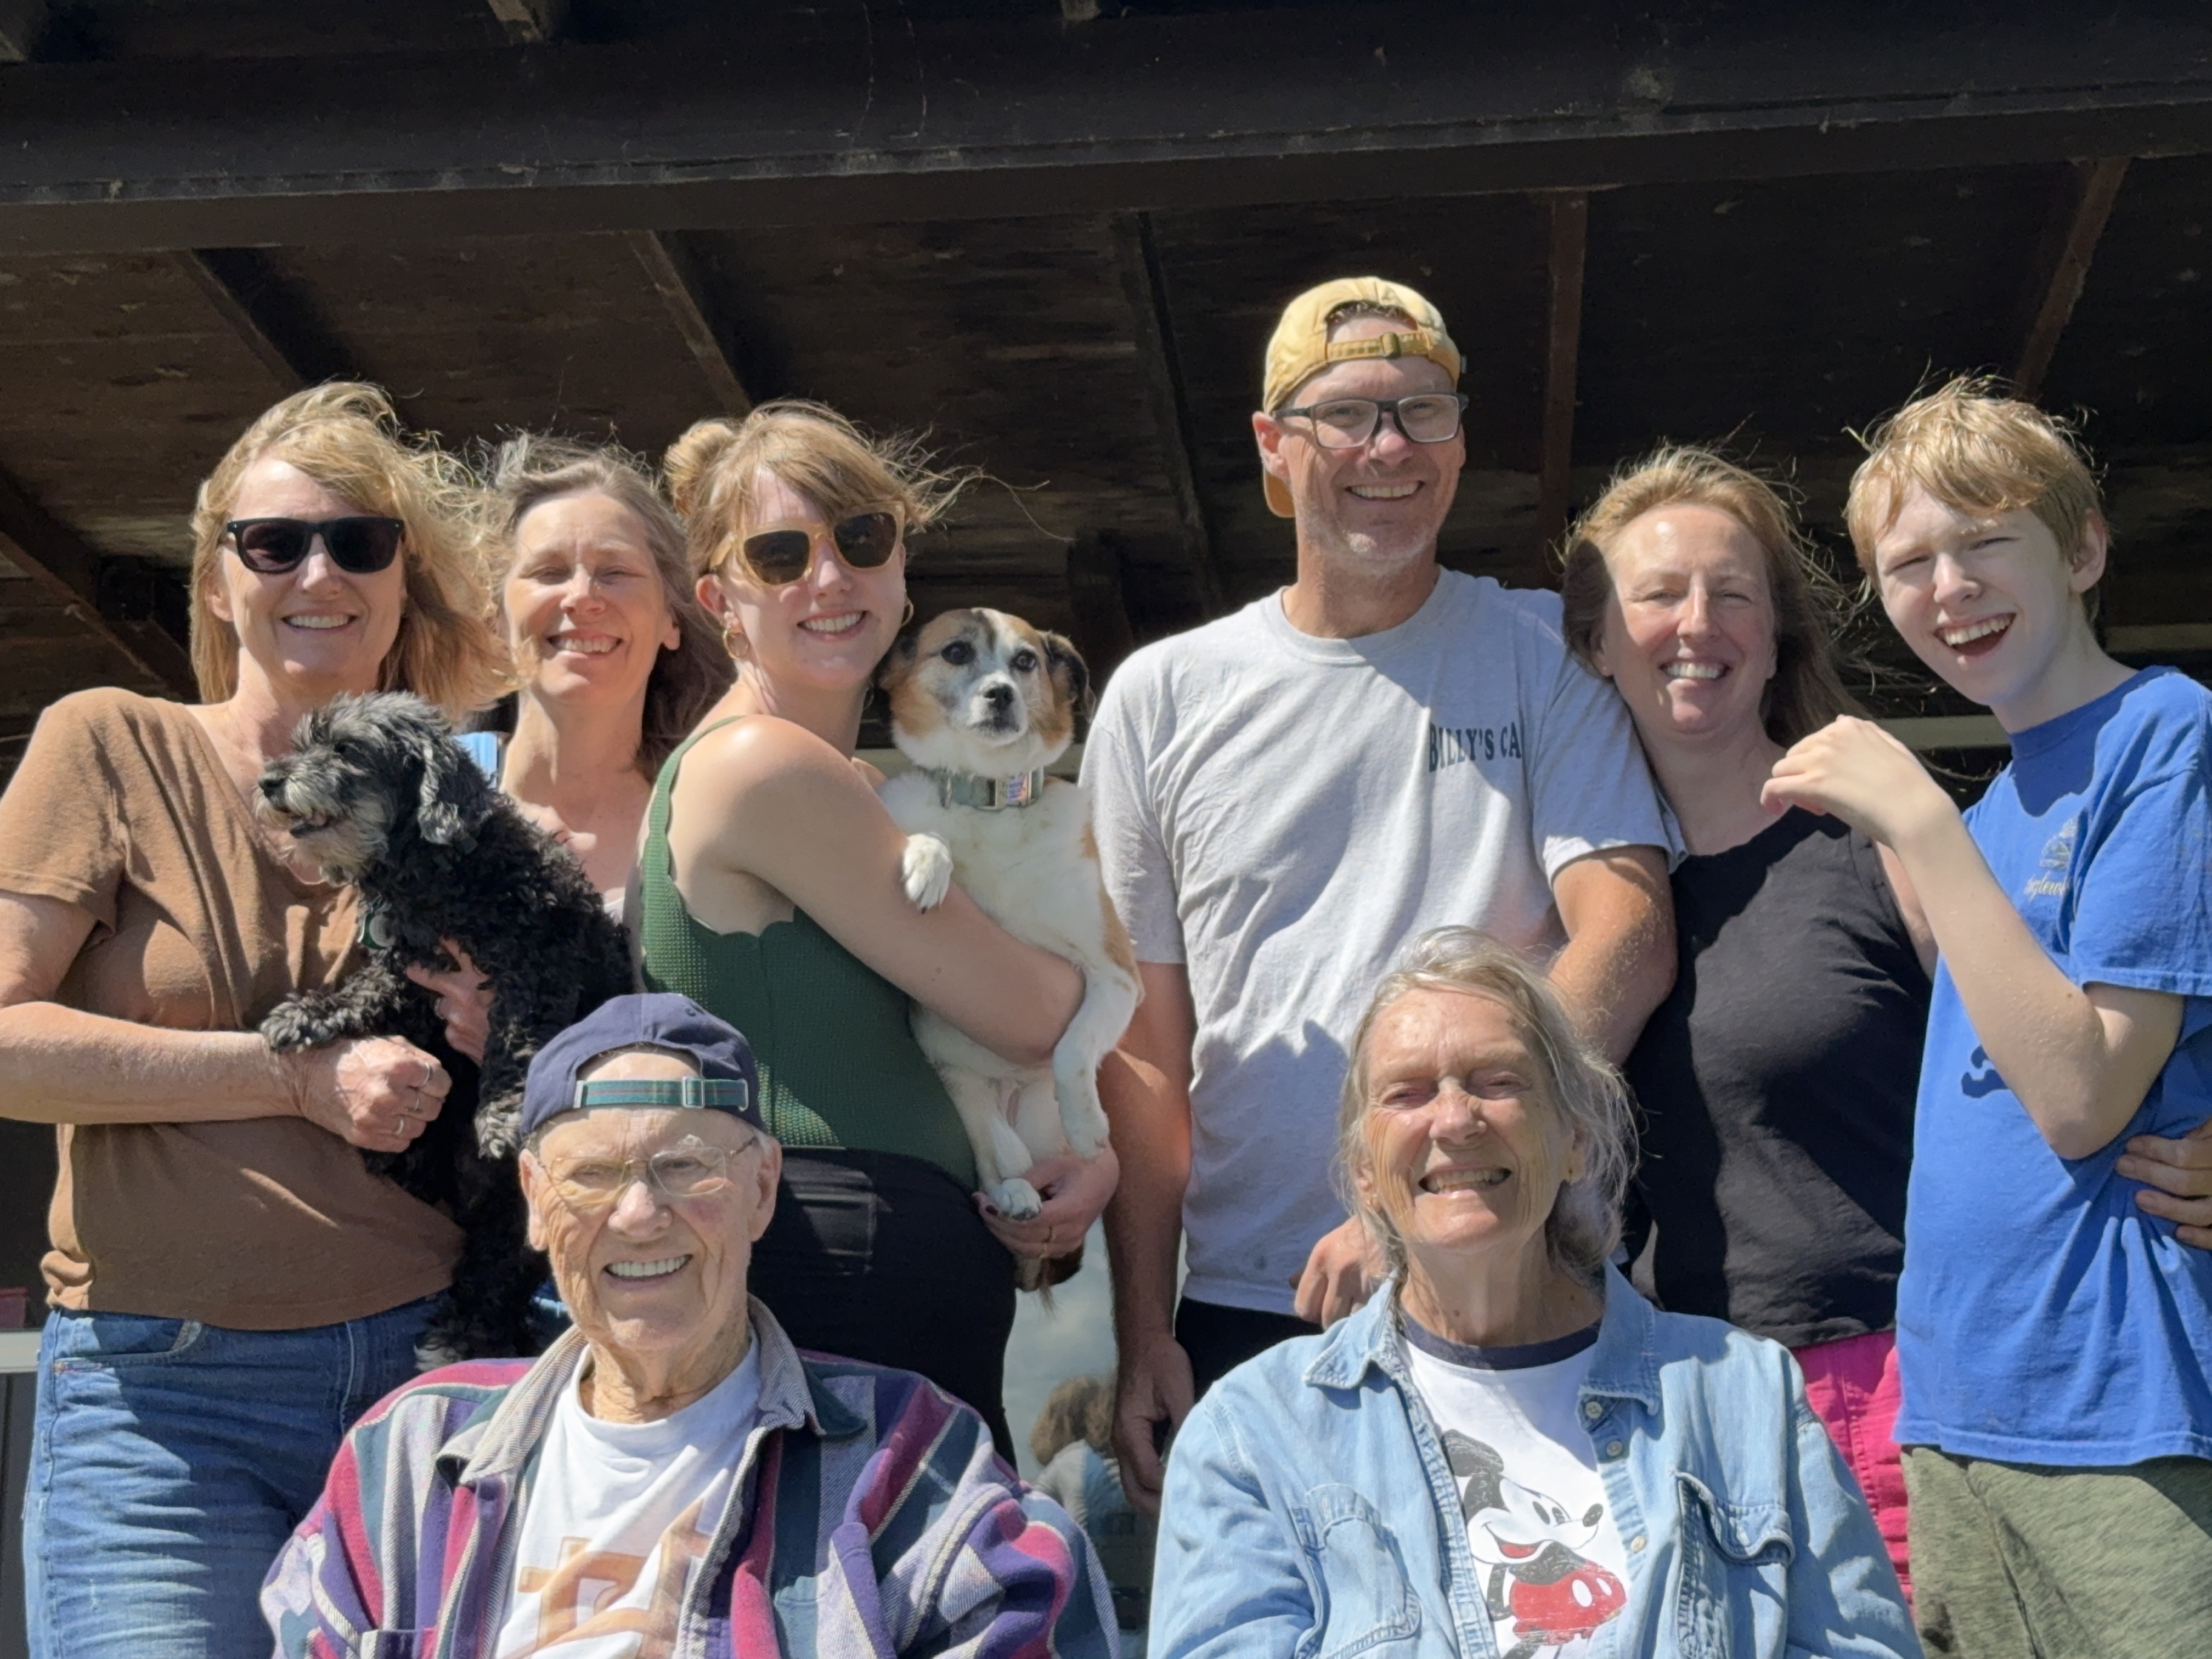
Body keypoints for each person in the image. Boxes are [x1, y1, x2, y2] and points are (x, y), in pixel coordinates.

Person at [1085, 277, 1674, 1509]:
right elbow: (1143, 1048)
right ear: (1273, 445)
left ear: (1458, 444)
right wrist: (1143, 1327)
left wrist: (1433, 1180)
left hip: (1517, 1282)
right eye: (1348, 414)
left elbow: (1627, 929)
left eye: (1423, 411)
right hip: (1253, 1301)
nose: (1389, 448)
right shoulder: (1159, 696)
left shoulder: (1544, 652)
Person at [0, 383, 505, 1659]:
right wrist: (291, 1078)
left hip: (428, 1387)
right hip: (164, 1401)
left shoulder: (461, 796)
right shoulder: (112, 745)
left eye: (359, 542)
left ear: (403, 583)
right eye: (273, 543)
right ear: (218, 583)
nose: (316, 572)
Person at [1765, 378, 2212, 1656]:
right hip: (1956, 1414)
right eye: (1910, 564)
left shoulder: (2166, 732)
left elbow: (2081, 1099)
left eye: (1987, 542)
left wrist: (1914, 817)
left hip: (2117, 1410)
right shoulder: (1994, 814)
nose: (1950, 588)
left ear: (2084, 550)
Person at [263, 992, 1118, 1656]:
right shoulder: (409, 1459)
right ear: (534, 1201)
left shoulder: (911, 1463)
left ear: (762, 1188)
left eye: (685, 1166)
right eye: (592, 1175)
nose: (639, 1215)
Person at [1149, 927, 1917, 1659]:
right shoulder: (1253, 1436)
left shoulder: (1744, 1397)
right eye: (1408, 1094)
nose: (1455, 1120)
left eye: (1499, 1082)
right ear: (1364, 1174)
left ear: (1574, 1140)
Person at [640, 400, 1107, 1454]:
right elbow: (1032, 1012)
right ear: (719, 599)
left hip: (883, 1280)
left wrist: (1090, 1156)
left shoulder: (848, 782)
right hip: (834, 1277)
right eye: (779, 553)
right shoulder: (766, 765)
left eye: (859, 538)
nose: (828, 576)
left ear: (900, 568)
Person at [1557, 446, 1932, 1592]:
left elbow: (2035, 1063)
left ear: (1775, 638)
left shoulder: (1880, 832)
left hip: (1895, 1388)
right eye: (1658, 594)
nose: (1696, 622)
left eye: (1732, 593)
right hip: (1687, 1414)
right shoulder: (1579, 902)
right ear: (1595, 642)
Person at [478, 434, 732, 910]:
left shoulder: (719, 819)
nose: (582, 597)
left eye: (615, 572)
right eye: (549, 572)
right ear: (495, 620)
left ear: (671, 619)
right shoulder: (419, 802)